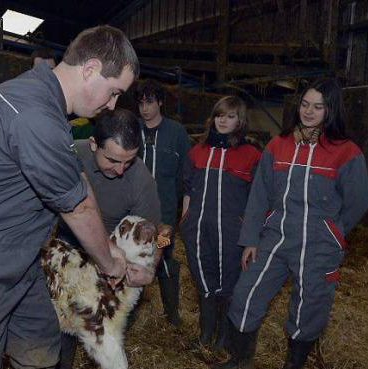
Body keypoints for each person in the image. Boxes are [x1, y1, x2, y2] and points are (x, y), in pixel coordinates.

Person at [0, 25, 139, 369]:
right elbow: (76, 206)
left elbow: (75, 181)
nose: (112, 104)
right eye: (114, 92)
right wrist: (110, 262)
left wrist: (109, 248)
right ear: (90, 69)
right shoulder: (37, 117)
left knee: (41, 340)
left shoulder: (46, 103)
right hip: (3, 258)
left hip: (21, 261)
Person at [212, 79, 368, 369]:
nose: (308, 112)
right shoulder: (278, 145)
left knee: (309, 307)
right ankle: (240, 359)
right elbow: (260, 195)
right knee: (245, 294)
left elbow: (357, 202)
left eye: (318, 107)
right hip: (276, 237)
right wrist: (250, 239)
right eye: (305, 105)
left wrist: (333, 233)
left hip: (318, 245)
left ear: (330, 110)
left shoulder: (346, 152)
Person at [57, 108, 161, 369]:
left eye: (129, 160)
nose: (121, 169)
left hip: (112, 262)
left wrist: (150, 269)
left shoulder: (140, 179)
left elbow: (160, 234)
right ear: (93, 144)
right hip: (67, 249)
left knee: (105, 334)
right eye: (113, 160)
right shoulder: (69, 153)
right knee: (58, 329)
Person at [180, 96, 261, 350]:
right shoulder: (197, 152)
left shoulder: (251, 156)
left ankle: (223, 339)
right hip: (199, 228)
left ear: (240, 121)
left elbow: (257, 199)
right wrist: (185, 219)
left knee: (228, 282)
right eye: (219, 115)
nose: (223, 120)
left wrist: (250, 233)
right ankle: (205, 335)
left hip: (231, 231)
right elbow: (187, 188)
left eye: (230, 116)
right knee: (203, 278)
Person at [136, 79, 190, 327]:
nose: (144, 108)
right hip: (135, 212)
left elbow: (184, 173)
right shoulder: (132, 129)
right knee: (133, 256)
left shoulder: (176, 133)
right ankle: (130, 311)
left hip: (165, 214)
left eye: (149, 102)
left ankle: (172, 313)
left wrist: (177, 204)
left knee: (164, 253)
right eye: (140, 102)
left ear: (159, 102)